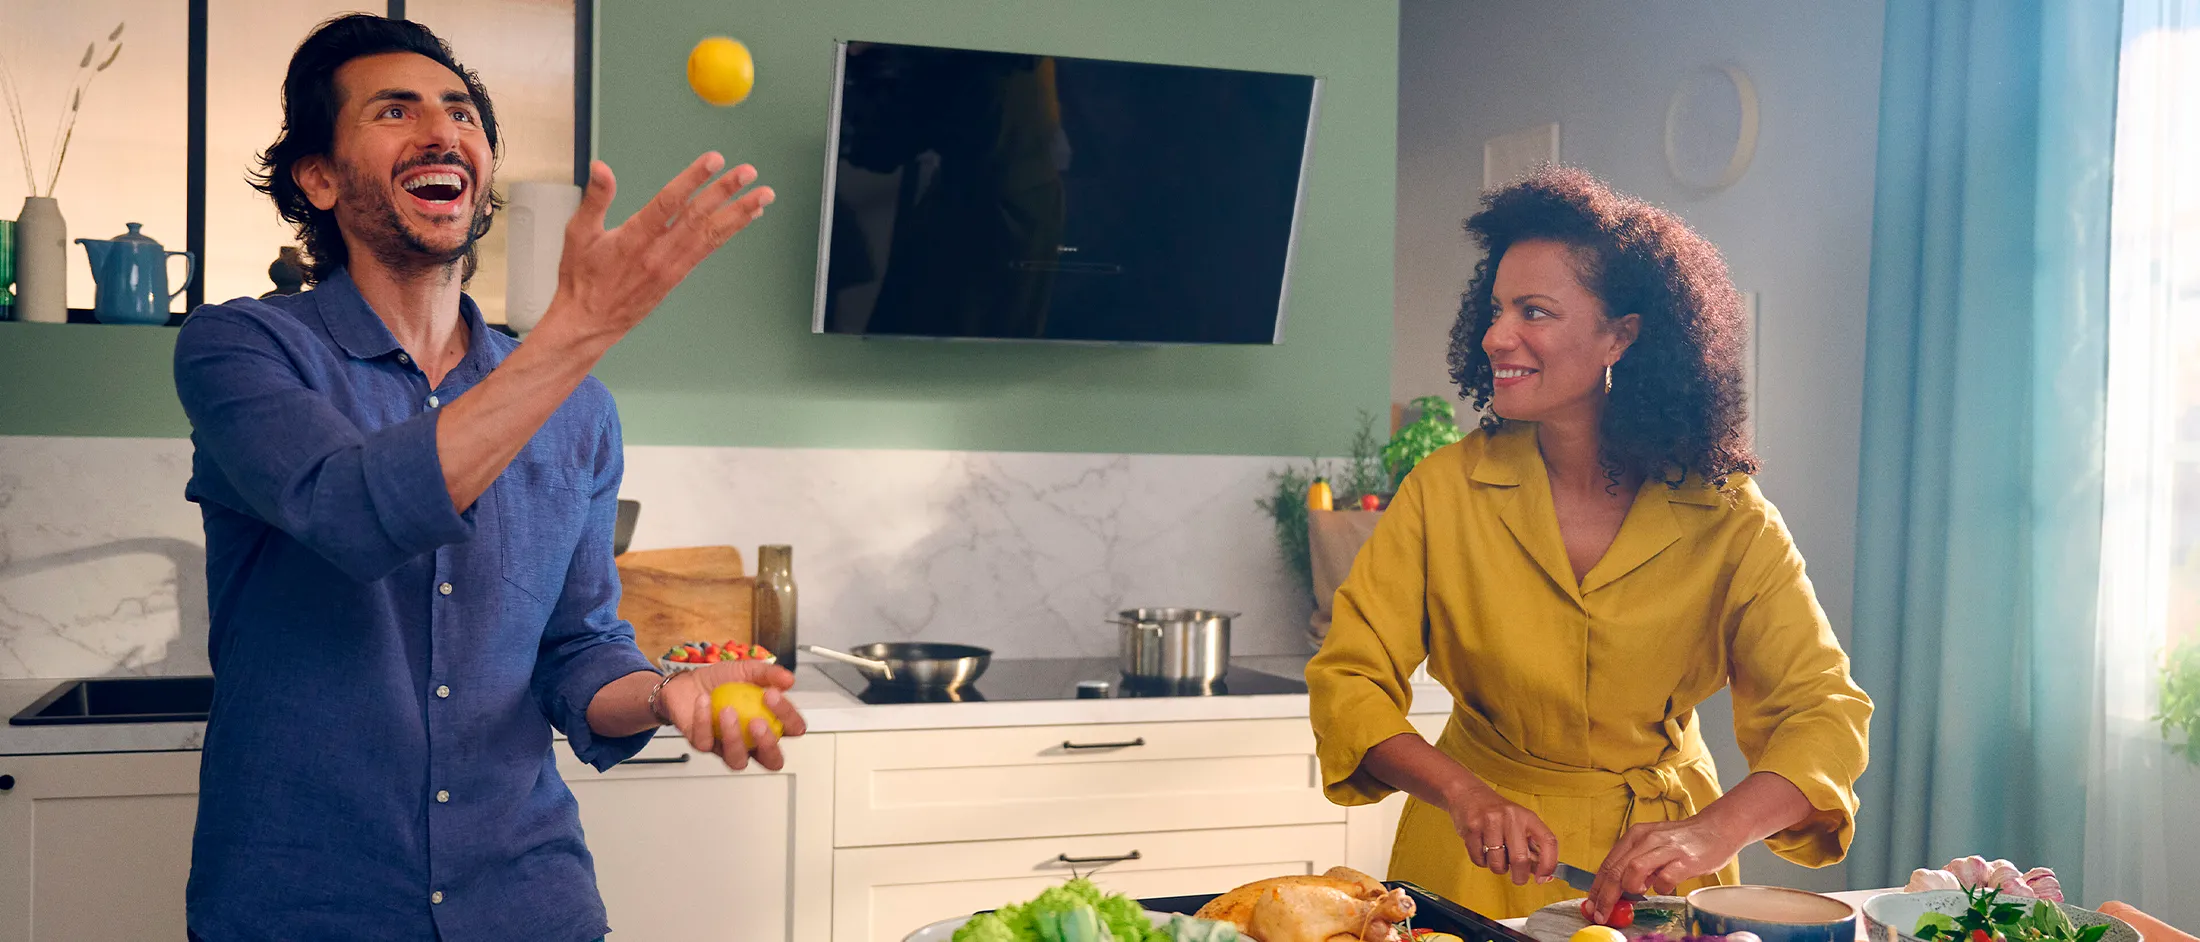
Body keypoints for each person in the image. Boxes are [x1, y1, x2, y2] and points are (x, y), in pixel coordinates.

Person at [171, 15, 794, 940]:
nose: (442, 131)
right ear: (319, 178)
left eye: (461, 112)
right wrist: (576, 332)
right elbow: (351, 511)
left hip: (528, 900)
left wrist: (661, 692)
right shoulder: (244, 349)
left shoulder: (580, 410)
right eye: (395, 110)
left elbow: (578, 645)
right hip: (305, 905)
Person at [1306, 167, 1871, 920]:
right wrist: (1464, 794)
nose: (1496, 336)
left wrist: (1711, 832)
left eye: (1533, 311)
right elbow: (1350, 680)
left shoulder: (1729, 515)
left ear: (1621, 335)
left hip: (1663, 881)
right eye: (1497, 309)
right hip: (1470, 868)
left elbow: (1824, 711)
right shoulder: (1443, 492)